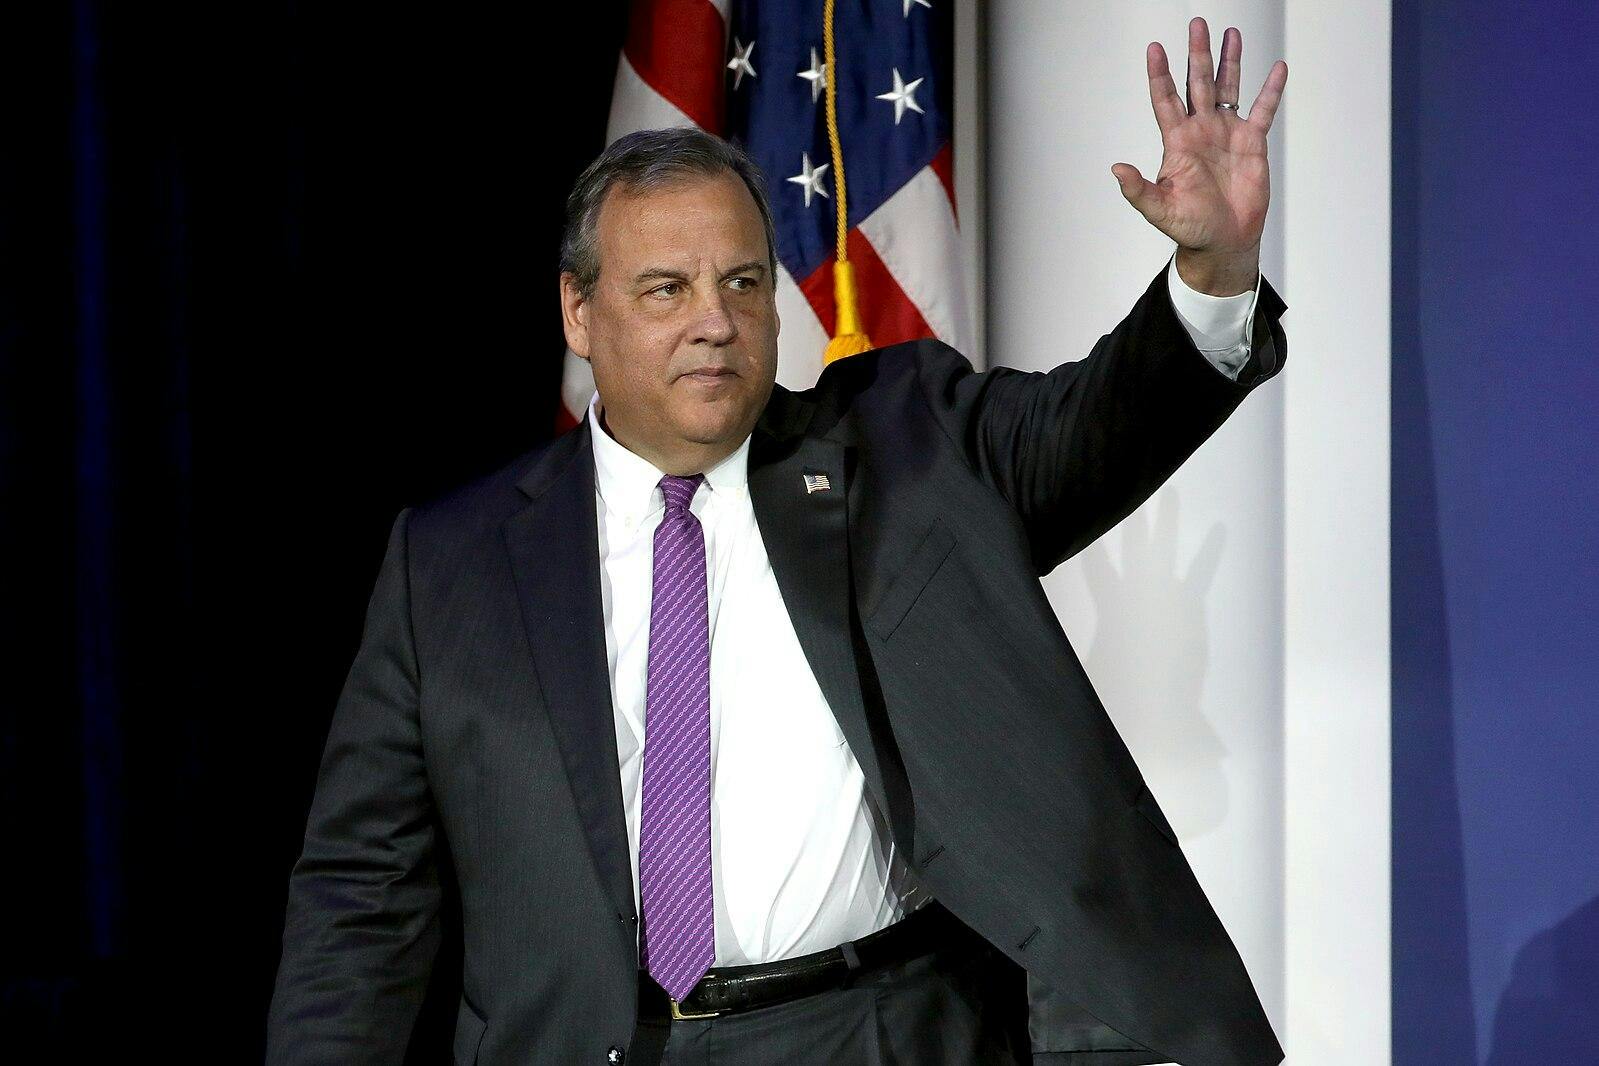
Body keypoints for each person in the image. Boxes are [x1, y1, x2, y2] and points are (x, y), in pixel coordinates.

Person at [267, 17, 1289, 1066]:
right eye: (666, 289)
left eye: (743, 282)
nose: (715, 320)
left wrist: (1212, 274)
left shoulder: (907, 448)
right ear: (578, 312)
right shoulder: (451, 565)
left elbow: (1099, 427)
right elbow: (365, 895)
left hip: (880, 1031)